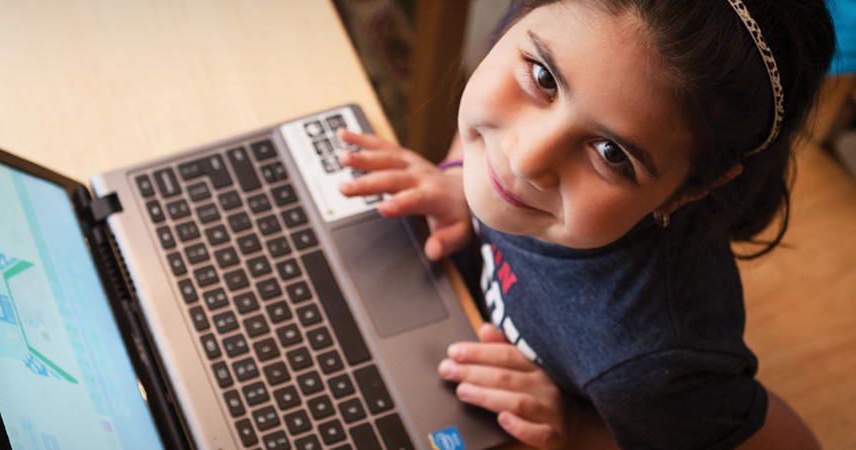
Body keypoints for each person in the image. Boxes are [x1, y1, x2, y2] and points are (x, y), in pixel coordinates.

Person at [335, 0, 837, 449]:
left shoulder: (655, 360)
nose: (524, 159)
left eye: (611, 154)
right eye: (544, 79)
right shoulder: (548, 35)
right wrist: (458, 177)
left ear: (690, 190)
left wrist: (575, 428)